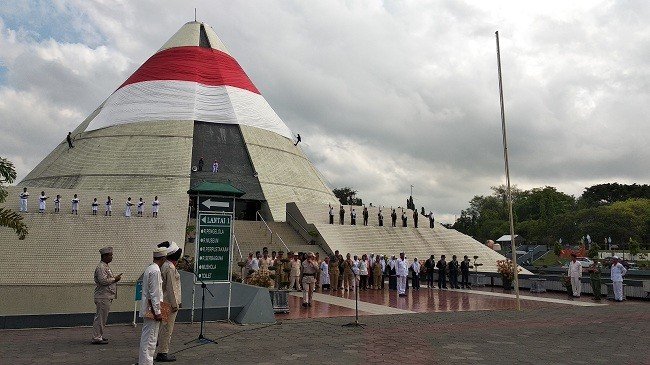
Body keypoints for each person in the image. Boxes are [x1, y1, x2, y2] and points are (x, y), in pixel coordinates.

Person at [139, 247, 166, 365]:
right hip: (153, 310)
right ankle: (146, 363)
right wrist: (158, 312)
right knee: (151, 339)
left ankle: (144, 361)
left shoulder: (150, 268)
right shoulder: (155, 271)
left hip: (149, 308)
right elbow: (154, 294)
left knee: (147, 337)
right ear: (163, 258)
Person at [155, 242, 182, 362]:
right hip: (168, 303)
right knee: (167, 328)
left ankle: (158, 349)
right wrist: (175, 304)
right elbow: (171, 288)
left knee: (161, 327)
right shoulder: (170, 267)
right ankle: (162, 352)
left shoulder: (164, 265)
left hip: (163, 301)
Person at [92, 246, 121, 344]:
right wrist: (115, 279)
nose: (112, 257)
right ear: (105, 256)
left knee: (102, 317)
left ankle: (99, 335)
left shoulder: (105, 266)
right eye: (110, 255)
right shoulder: (101, 267)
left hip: (105, 296)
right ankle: (96, 337)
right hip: (103, 296)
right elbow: (103, 281)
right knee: (100, 318)